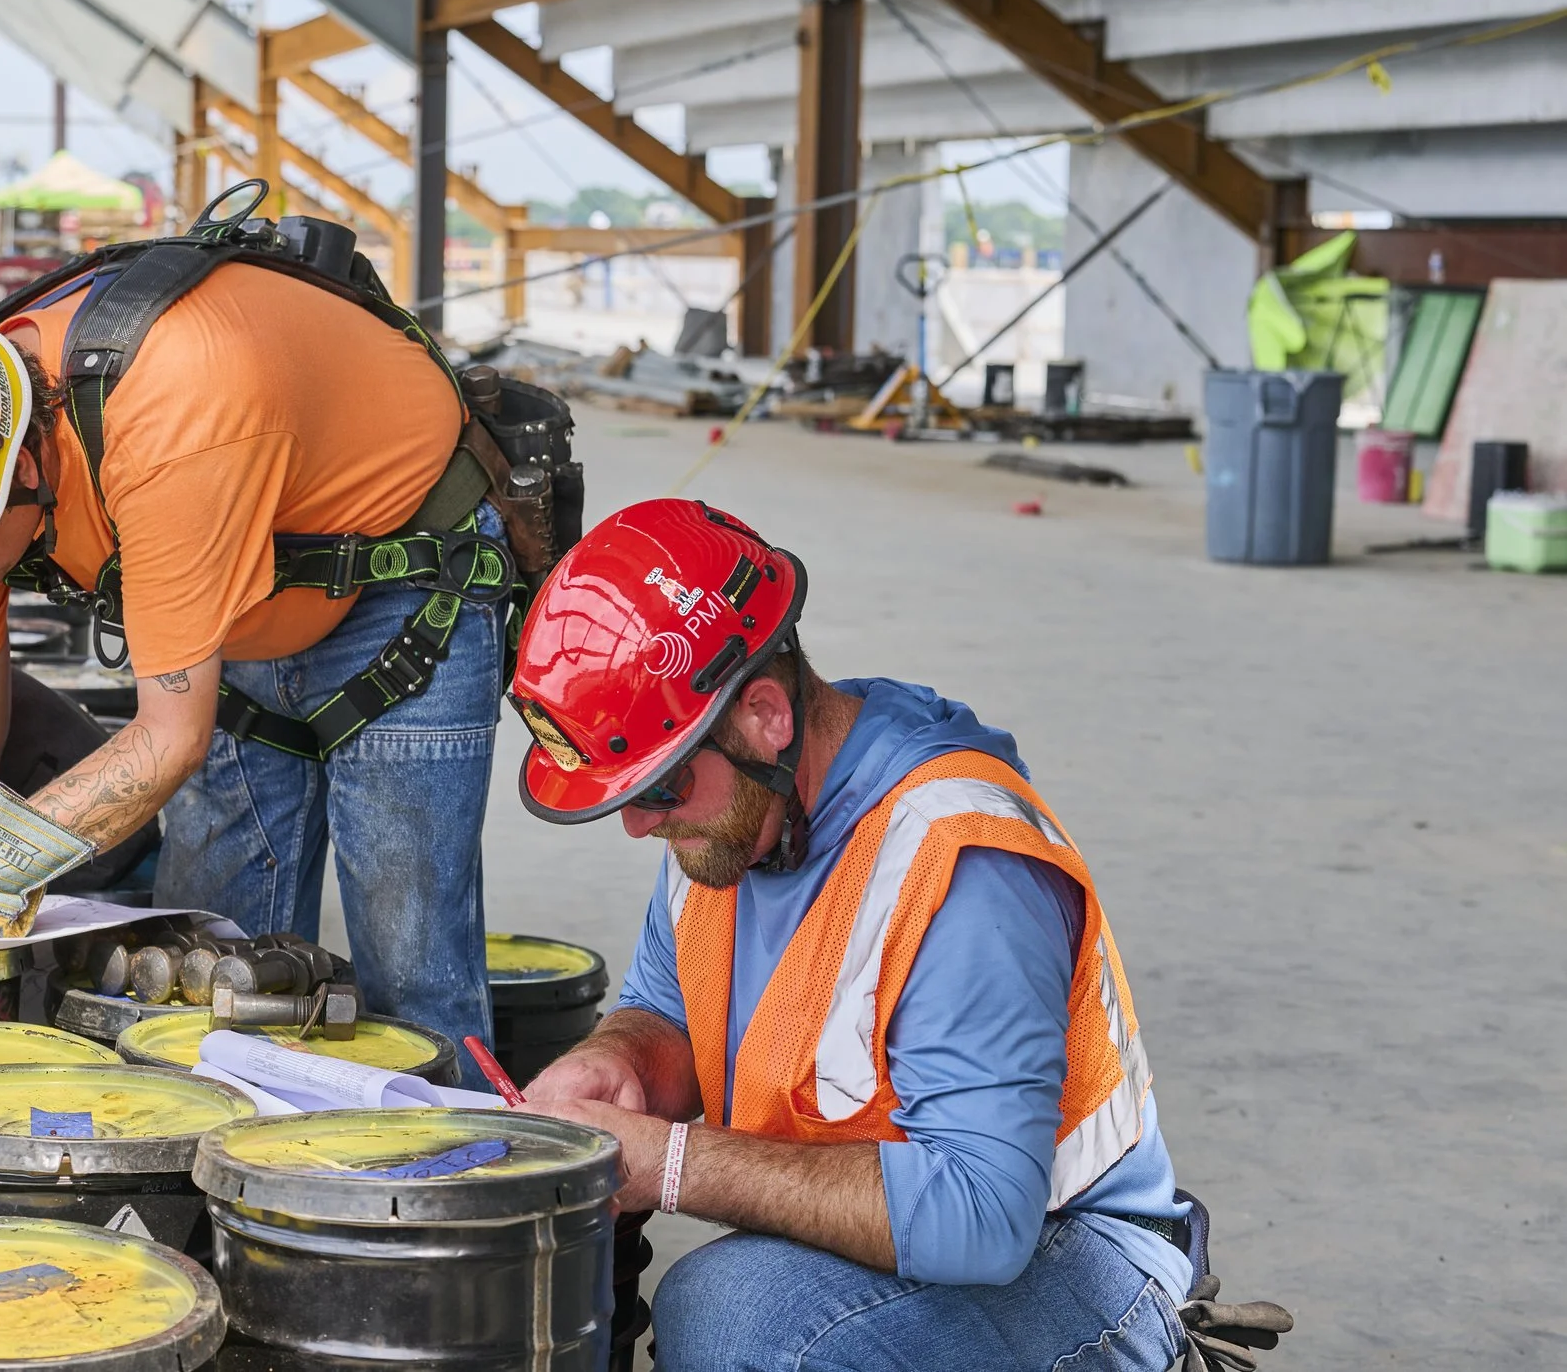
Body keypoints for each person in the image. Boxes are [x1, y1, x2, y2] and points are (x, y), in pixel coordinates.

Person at [0, 261, 511, 1062]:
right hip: (245, 595)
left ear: (20, 468)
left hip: (406, 575)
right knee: (198, 981)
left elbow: (168, 738)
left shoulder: (167, 415)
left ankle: (448, 1161)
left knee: (411, 973)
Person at [511, 498, 1198, 1371]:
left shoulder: (964, 865)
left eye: (660, 788)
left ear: (764, 715)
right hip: (909, 1231)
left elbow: (984, 1219)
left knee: (735, 1317)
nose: (639, 826)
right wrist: (622, 1061)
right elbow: (671, 1008)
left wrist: (675, 1163)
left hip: (1074, 1257)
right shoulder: (727, 814)